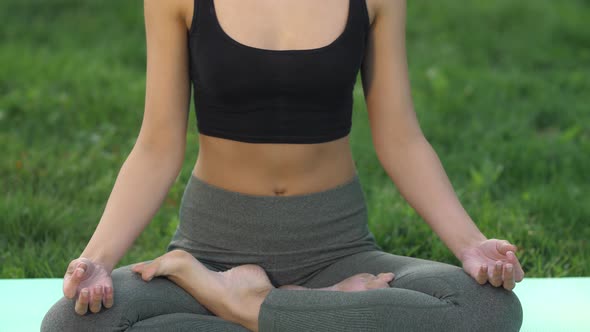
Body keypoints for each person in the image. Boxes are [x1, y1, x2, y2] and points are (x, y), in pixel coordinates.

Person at [42, 0, 524, 331]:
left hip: (338, 251)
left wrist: (472, 245)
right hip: (211, 251)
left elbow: (401, 139)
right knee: (73, 322)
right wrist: (97, 261)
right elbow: (156, 147)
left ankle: (241, 303)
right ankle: (322, 315)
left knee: (487, 308)